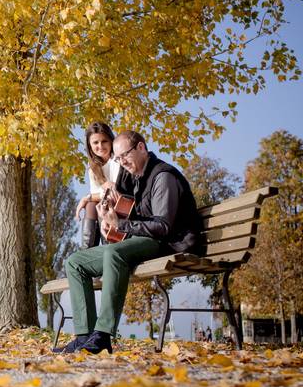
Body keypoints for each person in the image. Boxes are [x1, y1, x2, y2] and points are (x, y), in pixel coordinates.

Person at [54, 130, 201, 354]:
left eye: (125, 155)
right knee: (75, 262)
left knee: (113, 253)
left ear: (141, 148)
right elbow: (131, 214)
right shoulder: (134, 178)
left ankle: (102, 336)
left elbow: (163, 227)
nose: (122, 162)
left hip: (168, 243)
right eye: (118, 158)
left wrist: (121, 225)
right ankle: (84, 335)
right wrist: (109, 219)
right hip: (143, 240)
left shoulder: (163, 176)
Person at [74, 122, 120, 248]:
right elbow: (101, 195)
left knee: (92, 203)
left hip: (121, 209)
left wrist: (87, 198)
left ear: (111, 141)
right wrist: (89, 198)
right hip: (104, 207)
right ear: (89, 145)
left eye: (104, 141)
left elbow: (114, 192)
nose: (100, 146)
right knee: (91, 205)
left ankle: (108, 245)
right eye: (95, 143)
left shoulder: (117, 159)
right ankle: (87, 251)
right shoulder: (93, 168)